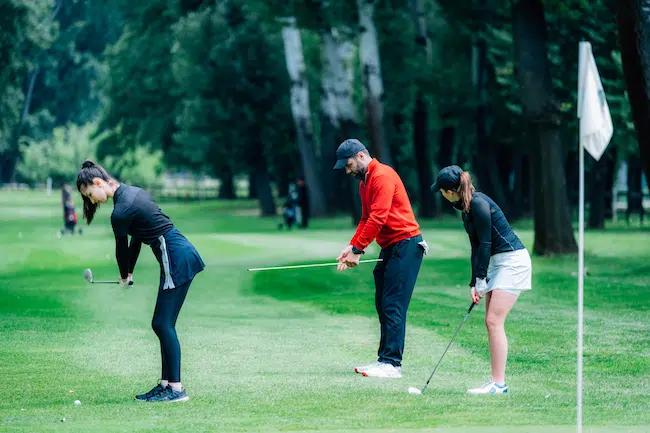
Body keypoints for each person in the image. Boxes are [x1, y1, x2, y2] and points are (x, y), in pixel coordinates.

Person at [76, 160, 205, 402]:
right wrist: (129, 273)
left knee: (162, 324)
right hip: (178, 254)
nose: (92, 201)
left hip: (175, 257)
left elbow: (121, 248)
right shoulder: (130, 194)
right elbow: (136, 240)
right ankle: (166, 384)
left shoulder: (120, 211)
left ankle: (176, 389)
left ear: (98, 183)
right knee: (162, 323)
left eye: (90, 194)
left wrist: (124, 276)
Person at [431, 165, 532, 395]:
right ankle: (496, 381)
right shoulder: (466, 208)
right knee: (491, 322)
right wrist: (474, 282)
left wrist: (480, 277)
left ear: (449, 191)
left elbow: (486, 243)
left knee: (494, 321)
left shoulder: (478, 203)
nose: (442, 195)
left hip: (513, 261)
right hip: (498, 262)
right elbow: (476, 246)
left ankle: (499, 384)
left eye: (442, 191)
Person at [334, 139, 429, 379]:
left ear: (360, 156)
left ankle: (392, 365)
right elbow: (366, 218)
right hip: (390, 247)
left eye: (348, 165)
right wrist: (351, 246)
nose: (347, 171)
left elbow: (379, 217)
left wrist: (359, 249)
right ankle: (383, 360)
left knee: (393, 305)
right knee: (382, 304)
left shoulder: (383, 176)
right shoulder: (365, 183)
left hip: (407, 245)